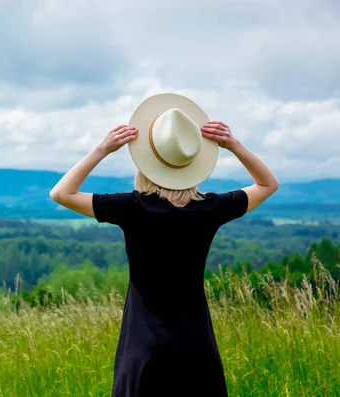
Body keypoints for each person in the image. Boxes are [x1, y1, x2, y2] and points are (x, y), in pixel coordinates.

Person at [49, 93, 278, 397]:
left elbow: (61, 193)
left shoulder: (133, 207)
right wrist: (233, 145)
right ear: (192, 161)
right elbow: (267, 184)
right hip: (197, 348)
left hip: (144, 349)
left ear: (145, 161)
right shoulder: (210, 208)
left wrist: (102, 149)